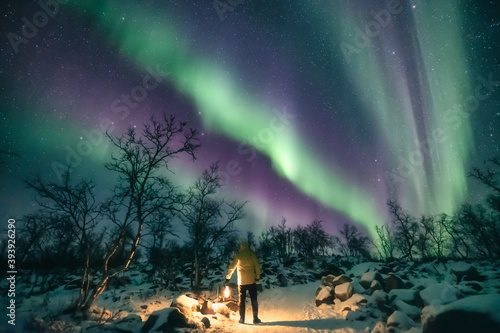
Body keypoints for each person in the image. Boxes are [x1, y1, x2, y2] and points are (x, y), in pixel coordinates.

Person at [225, 241, 261, 324]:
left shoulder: (238, 256)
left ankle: (242, 318)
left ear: (241, 247)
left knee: (242, 300)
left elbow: (232, 267)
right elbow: (257, 267)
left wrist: (228, 277)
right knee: (254, 299)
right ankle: (255, 318)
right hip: (251, 281)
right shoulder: (252, 255)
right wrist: (257, 277)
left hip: (242, 282)